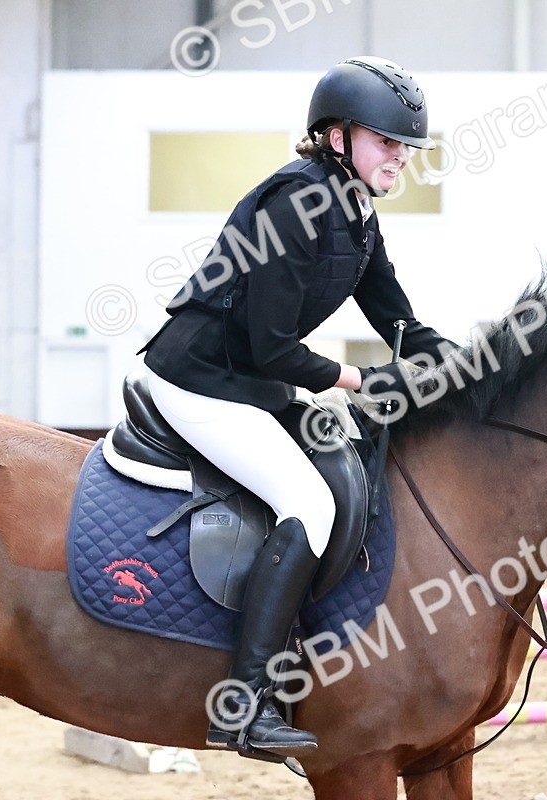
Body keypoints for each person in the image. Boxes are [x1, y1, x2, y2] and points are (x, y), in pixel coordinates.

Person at [138, 56, 454, 756]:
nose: (400, 157)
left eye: (405, 146)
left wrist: (464, 361)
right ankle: (243, 704)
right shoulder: (296, 204)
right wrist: (362, 381)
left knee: (340, 477)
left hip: (249, 379)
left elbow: (396, 317)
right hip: (198, 378)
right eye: (386, 141)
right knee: (308, 503)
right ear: (337, 138)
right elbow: (272, 347)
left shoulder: (357, 211)